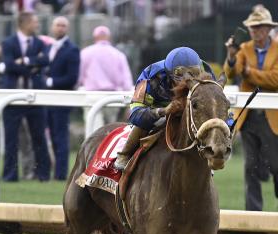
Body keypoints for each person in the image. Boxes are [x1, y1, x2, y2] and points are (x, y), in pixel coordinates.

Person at [114, 46, 212, 170]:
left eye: (193, 75)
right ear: (169, 74)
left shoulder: (207, 73)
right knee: (143, 123)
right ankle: (125, 154)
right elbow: (136, 115)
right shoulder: (151, 76)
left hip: (191, 106)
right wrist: (163, 111)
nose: (186, 83)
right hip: (157, 106)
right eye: (179, 76)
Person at [224, 6, 278, 211]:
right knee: (250, 167)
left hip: (272, 118)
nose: (255, 31)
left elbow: (275, 79)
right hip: (248, 118)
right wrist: (231, 57)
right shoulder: (244, 49)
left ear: (267, 29)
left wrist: (248, 72)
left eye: (259, 27)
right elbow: (232, 72)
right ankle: (254, 218)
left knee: (276, 165)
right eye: (253, 27)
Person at [0, 11, 51, 182]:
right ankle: (10, 175)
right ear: (25, 23)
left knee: (39, 138)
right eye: (35, 22)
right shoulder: (8, 42)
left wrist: (25, 61)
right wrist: (31, 67)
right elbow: (8, 65)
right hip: (12, 98)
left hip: (35, 97)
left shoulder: (40, 42)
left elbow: (45, 61)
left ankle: (43, 174)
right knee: (11, 139)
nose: (37, 25)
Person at [78, 25, 133, 130]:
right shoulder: (119, 55)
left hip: (92, 96)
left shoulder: (85, 53)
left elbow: (79, 78)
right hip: (112, 97)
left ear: (94, 37)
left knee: (93, 130)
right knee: (110, 130)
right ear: (108, 37)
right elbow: (127, 82)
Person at [46, 15, 79, 181]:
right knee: (51, 139)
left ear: (67, 28)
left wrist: (50, 81)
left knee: (60, 139)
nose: (60, 28)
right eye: (57, 25)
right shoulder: (49, 47)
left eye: (63, 26)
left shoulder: (72, 49)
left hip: (62, 100)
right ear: (53, 27)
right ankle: (50, 173)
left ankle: (60, 174)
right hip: (47, 100)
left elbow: (72, 78)